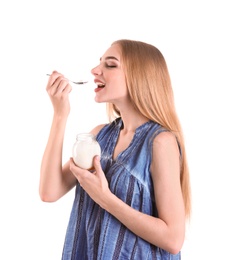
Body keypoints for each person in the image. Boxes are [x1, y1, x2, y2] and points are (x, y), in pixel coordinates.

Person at [40, 39, 191, 260]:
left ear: (139, 76)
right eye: (100, 63)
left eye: (110, 65)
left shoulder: (160, 142)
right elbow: (49, 191)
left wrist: (105, 198)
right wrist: (60, 114)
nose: (95, 70)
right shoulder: (99, 136)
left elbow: (173, 239)